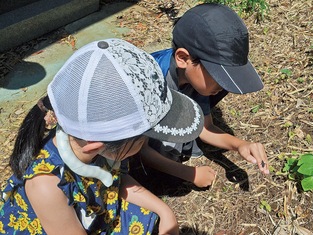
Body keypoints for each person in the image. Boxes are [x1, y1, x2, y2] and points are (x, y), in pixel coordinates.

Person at [0, 38, 206, 234]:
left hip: (95, 209)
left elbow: (116, 178)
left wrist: (165, 211)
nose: (146, 144)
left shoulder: (91, 140)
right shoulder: (45, 186)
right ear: (96, 145)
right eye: (142, 139)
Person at [146, 3, 270, 175]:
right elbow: (140, 150)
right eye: (218, 76)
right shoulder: (151, 85)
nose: (222, 86)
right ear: (183, 58)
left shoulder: (197, 79)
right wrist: (190, 174)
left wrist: (241, 145)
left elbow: (204, 127)